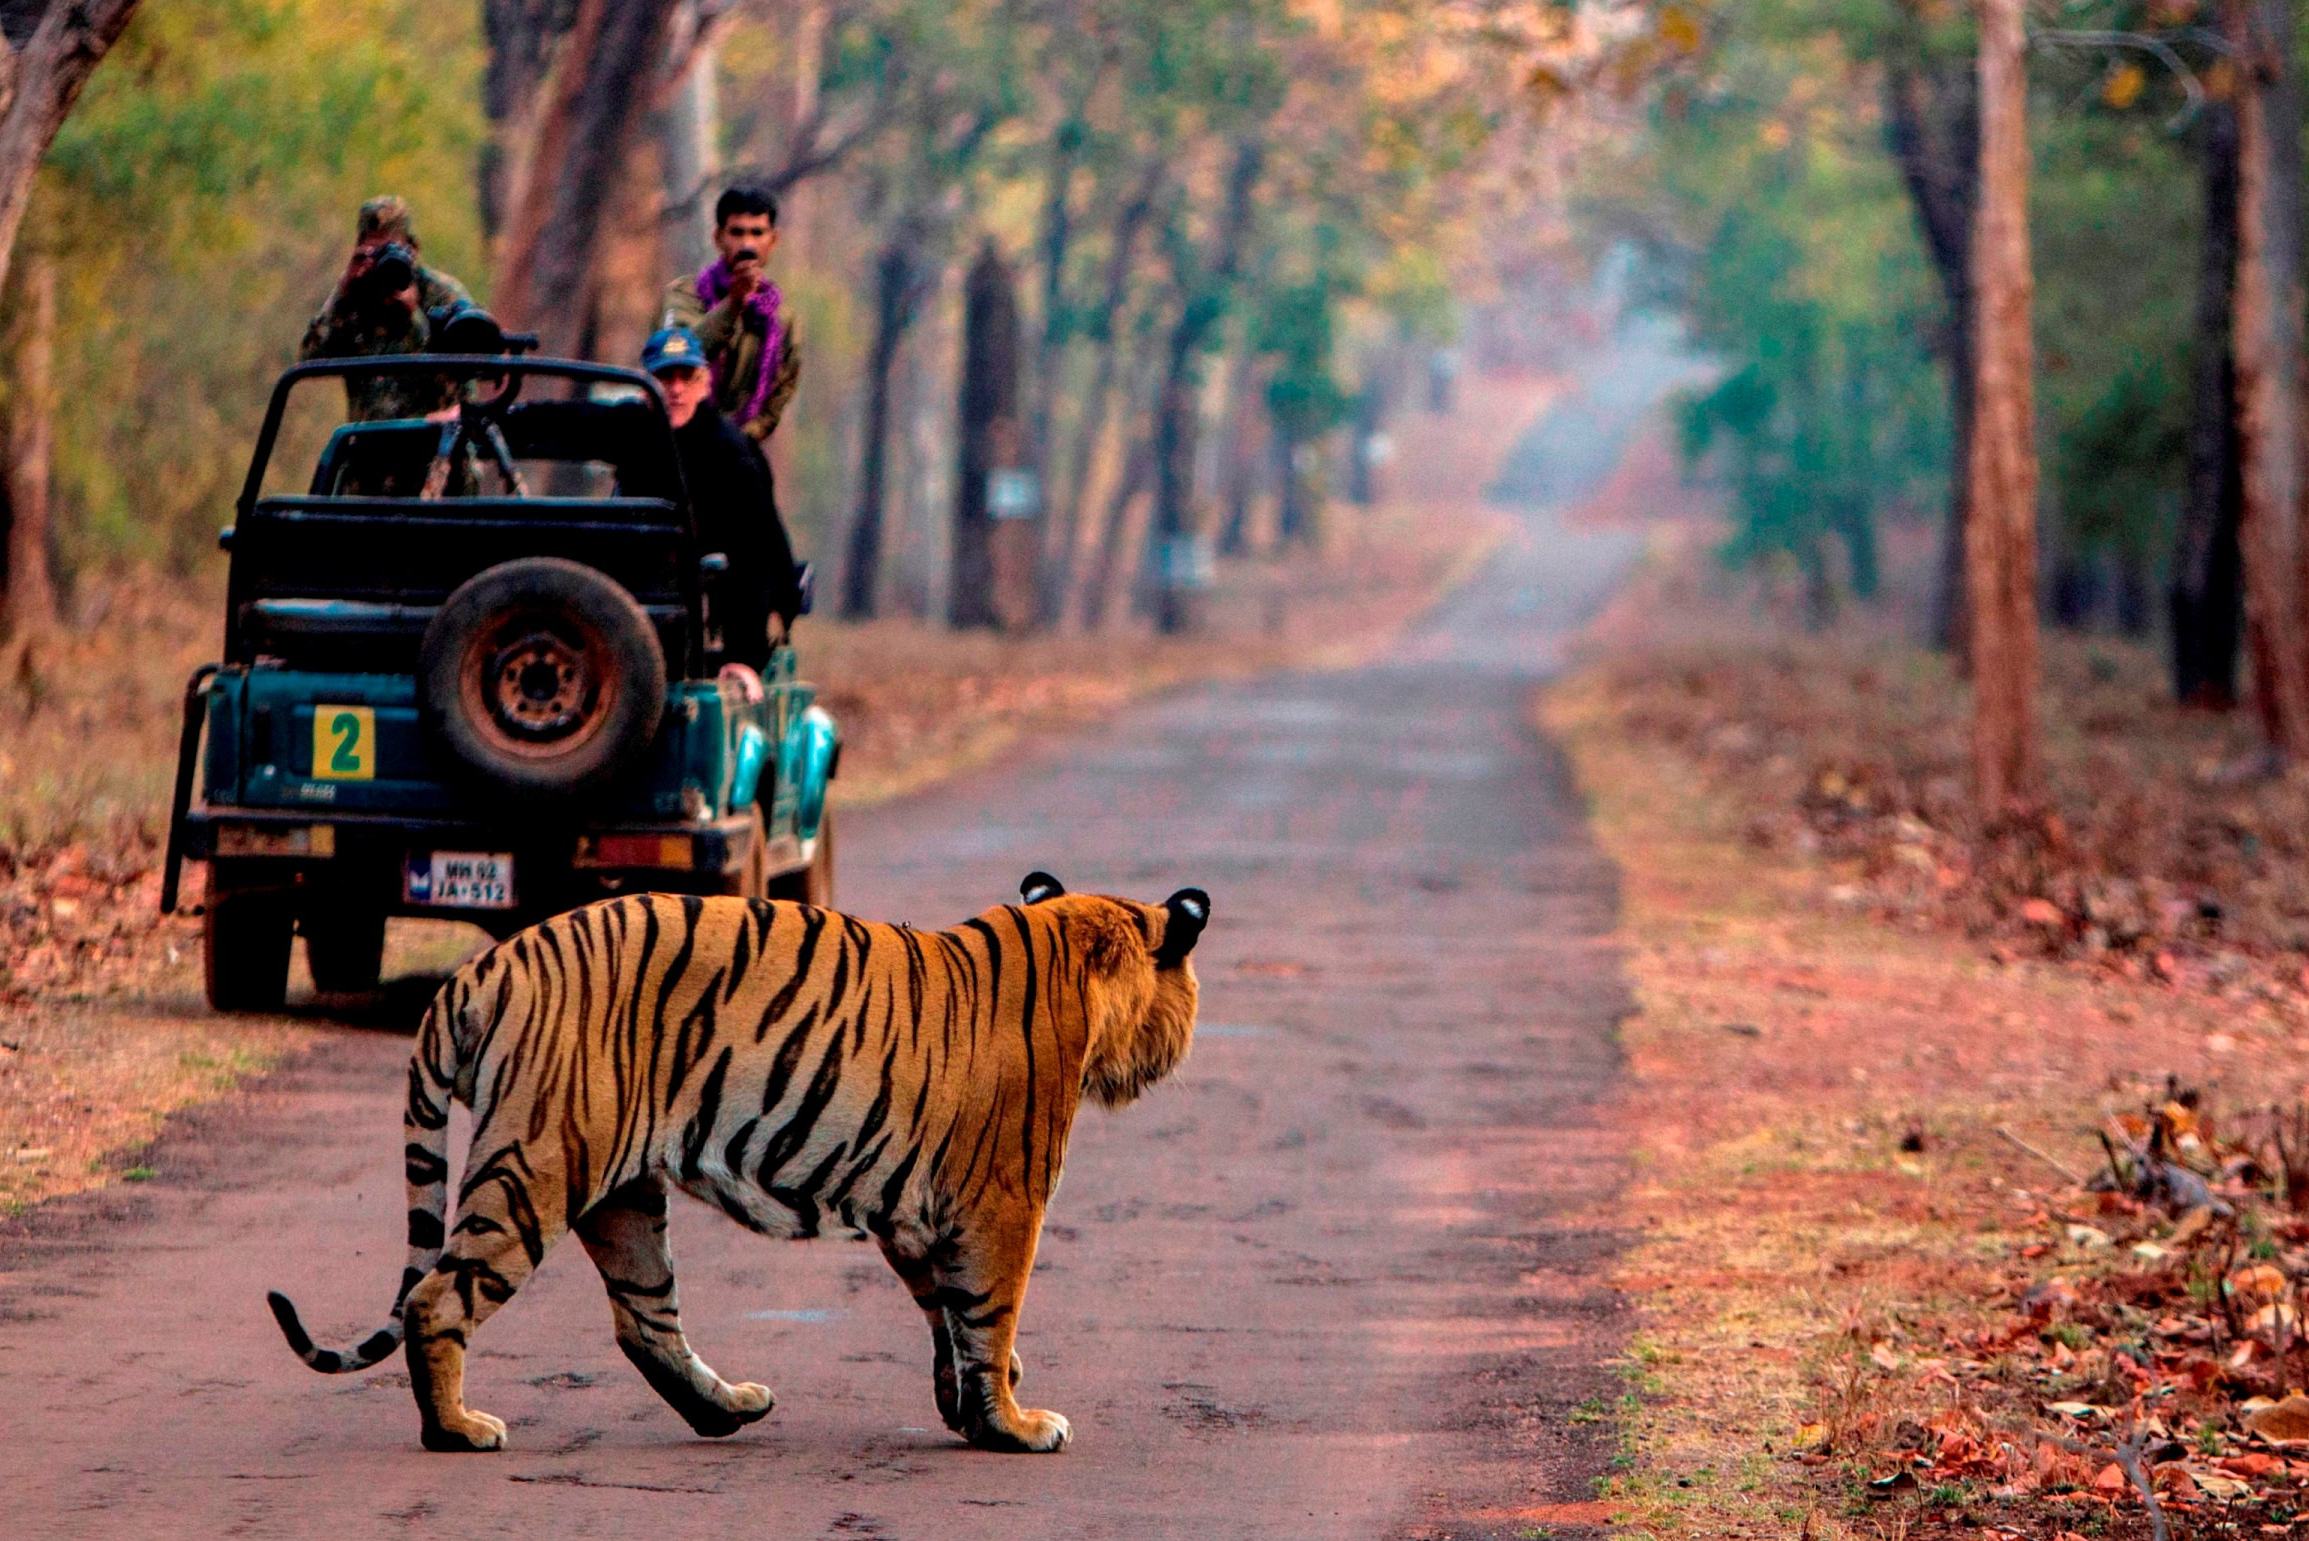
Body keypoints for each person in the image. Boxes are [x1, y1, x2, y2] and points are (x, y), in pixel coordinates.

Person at [643, 326, 802, 666]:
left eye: (686, 377)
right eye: (664, 378)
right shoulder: (637, 429)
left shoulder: (731, 451)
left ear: (705, 384)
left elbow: (759, 547)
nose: (676, 389)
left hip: (720, 583)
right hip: (643, 590)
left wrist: (744, 658)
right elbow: (572, 422)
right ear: (648, 387)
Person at [300, 196, 473, 422]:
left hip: (437, 441)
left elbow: (465, 377)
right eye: (375, 251)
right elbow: (311, 357)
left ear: (413, 249)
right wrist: (343, 290)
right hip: (368, 443)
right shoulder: (355, 298)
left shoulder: (441, 294)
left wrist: (413, 316)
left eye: (392, 250)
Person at [661, 185, 801, 444]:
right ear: (718, 238)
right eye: (737, 232)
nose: (747, 244)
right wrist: (733, 304)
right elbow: (680, 357)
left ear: (773, 240)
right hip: (675, 442)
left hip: (736, 454)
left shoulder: (781, 320)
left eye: (757, 233)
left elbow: (779, 395)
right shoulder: (685, 296)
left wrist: (735, 443)